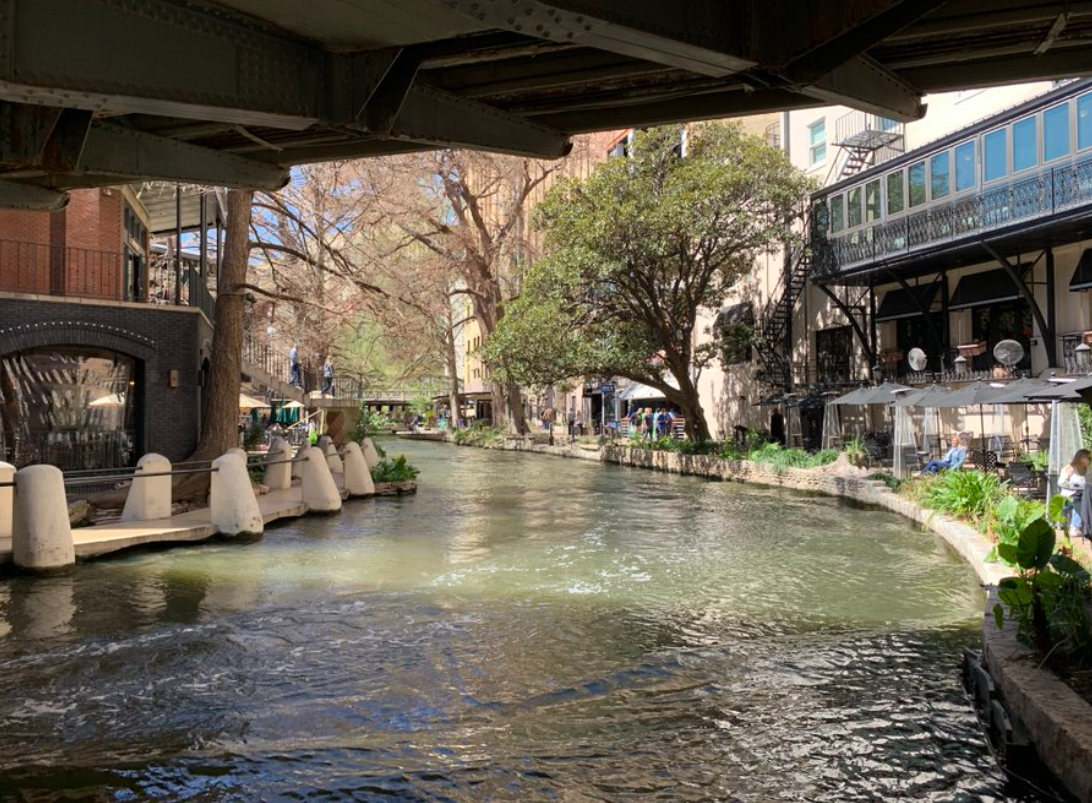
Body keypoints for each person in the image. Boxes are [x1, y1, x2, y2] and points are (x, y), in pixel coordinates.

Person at [1059, 449, 1091, 536]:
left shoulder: (1085, 469)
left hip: (1080, 494)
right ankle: (1075, 528)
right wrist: (1069, 478)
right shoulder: (1069, 468)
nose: (1089, 460)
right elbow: (1061, 483)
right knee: (1080, 501)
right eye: (1087, 458)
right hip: (1068, 496)